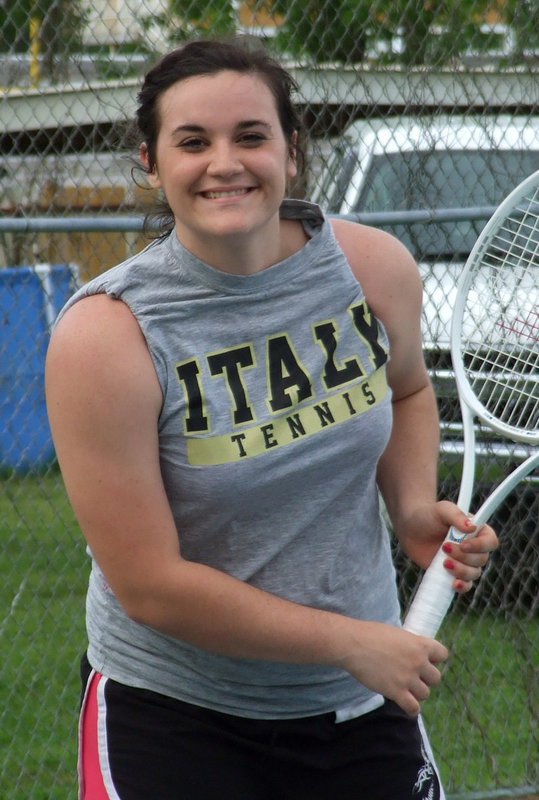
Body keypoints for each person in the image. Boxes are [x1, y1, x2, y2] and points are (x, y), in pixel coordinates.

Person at [45, 38, 498, 800]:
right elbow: (150, 585)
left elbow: (410, 391)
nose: (225, 163)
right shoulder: (108, 335)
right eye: (192, 142)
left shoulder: (371, 267)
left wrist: (413, 506)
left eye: (250, 136)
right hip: (178, 718)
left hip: (359, 704)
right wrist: (349, 643)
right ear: (152, 164)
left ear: (291, 153)